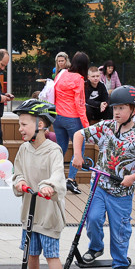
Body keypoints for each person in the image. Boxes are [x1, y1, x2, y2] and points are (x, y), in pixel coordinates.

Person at [71, 86, 135, 269]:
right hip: (100, 186)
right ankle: (95, 248)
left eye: (121, 108)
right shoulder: (106, 126)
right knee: (93, 219)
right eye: (115, 108)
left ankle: (119, 263)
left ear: (134, 109)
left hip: (122, 192)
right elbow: (79, 134)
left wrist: (133, 177)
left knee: (120, 229)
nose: (117, 112)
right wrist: (78, 155)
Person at [11, 99, 67, 269]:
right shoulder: (24, 150)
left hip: (48, 213)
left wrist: (48, 186)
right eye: (20, 124)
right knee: (31, 253)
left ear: (41, 124)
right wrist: (19, 182)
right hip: (30, 211)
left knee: (51, 255)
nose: (20, 129)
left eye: (24, 124)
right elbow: (18, 172)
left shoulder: (53, 150)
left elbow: (57, 175)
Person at [53, 51, 90, 194]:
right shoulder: (78, 78)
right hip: (72, 117)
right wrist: (86, 126)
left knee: (60, 148)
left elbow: (53, 92)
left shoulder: (61, 73)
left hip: (57, 116)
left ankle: (55, 177)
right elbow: (80, 103)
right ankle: (71, 180)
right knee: (78, 149)